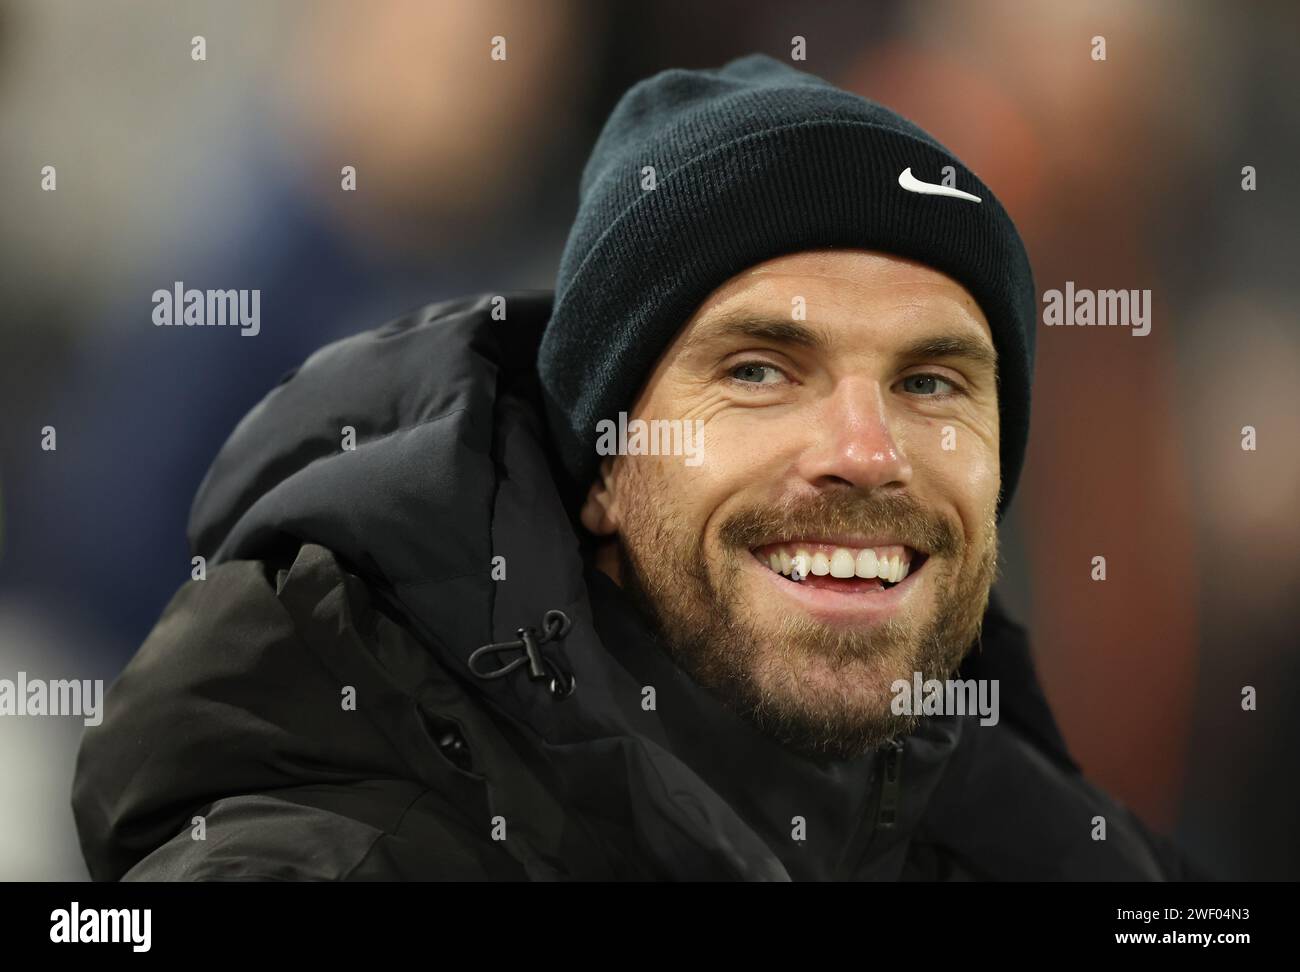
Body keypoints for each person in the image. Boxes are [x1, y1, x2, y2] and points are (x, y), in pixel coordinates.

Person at [72, 54, 1200, 880]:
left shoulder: (1049, 841)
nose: (868, 452)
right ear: (600, 464)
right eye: (760, 371)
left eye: (931, 383)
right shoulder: (327, 858)